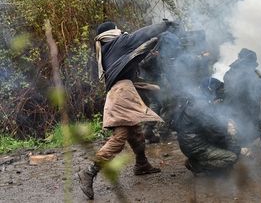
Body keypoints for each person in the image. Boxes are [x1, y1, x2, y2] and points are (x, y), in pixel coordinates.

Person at [77, 20, 175, 200]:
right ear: (111, 32)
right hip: (121, 95)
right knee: (119, 138)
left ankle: (142, 164)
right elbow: (141, 34)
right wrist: (164, 25)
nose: (120, 31)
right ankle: (89, 172)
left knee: (135, 133)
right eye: (117, 29)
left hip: (121, 93)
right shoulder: (117, 42)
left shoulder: (107, 48)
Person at [172, 77, 240, 175]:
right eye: (217, 93)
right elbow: (215, 132)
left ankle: (207, 163)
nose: (219, 98)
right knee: (231, 156)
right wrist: (229, 130)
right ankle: (195, 164)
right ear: (210, 92)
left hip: (188, 144)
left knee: (225, 140)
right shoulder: (202, 106)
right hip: (196, 147)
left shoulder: (195, 101)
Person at [223, 48, 261, 146]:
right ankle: (245, 148)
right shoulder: (248, 74)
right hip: (246, 107)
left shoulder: (230, 72)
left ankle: (241, 147)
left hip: (233, 107)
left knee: (241, 129)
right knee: (250, 130)